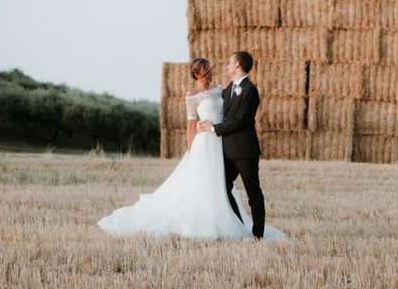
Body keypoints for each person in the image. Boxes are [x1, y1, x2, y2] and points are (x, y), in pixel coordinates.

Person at [97, 56, 284, 240]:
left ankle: (248, 230)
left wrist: (214, 127)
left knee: (229, 187)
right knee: (217, 185)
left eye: (211, 69)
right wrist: (191, 150)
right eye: (206, 71)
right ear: (197, 74)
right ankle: (232, 224)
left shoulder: (223, 90)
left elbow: (237, 116)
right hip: (207, 143)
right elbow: (191, 124)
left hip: (224, 143)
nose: (212, 72)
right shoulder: (193, 95)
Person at [197, 51, 266, 239]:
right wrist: (201, 122)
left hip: (244, 151)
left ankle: (258, 235)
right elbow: (214, 107)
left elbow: (240, 121)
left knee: (253, 193)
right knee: (223, 188)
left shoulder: (250, 90)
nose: (226, 66)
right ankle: (240, 226)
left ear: (237, 65)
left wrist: (213, 128)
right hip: (227, 151)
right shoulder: (228, 89)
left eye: (229, 63)